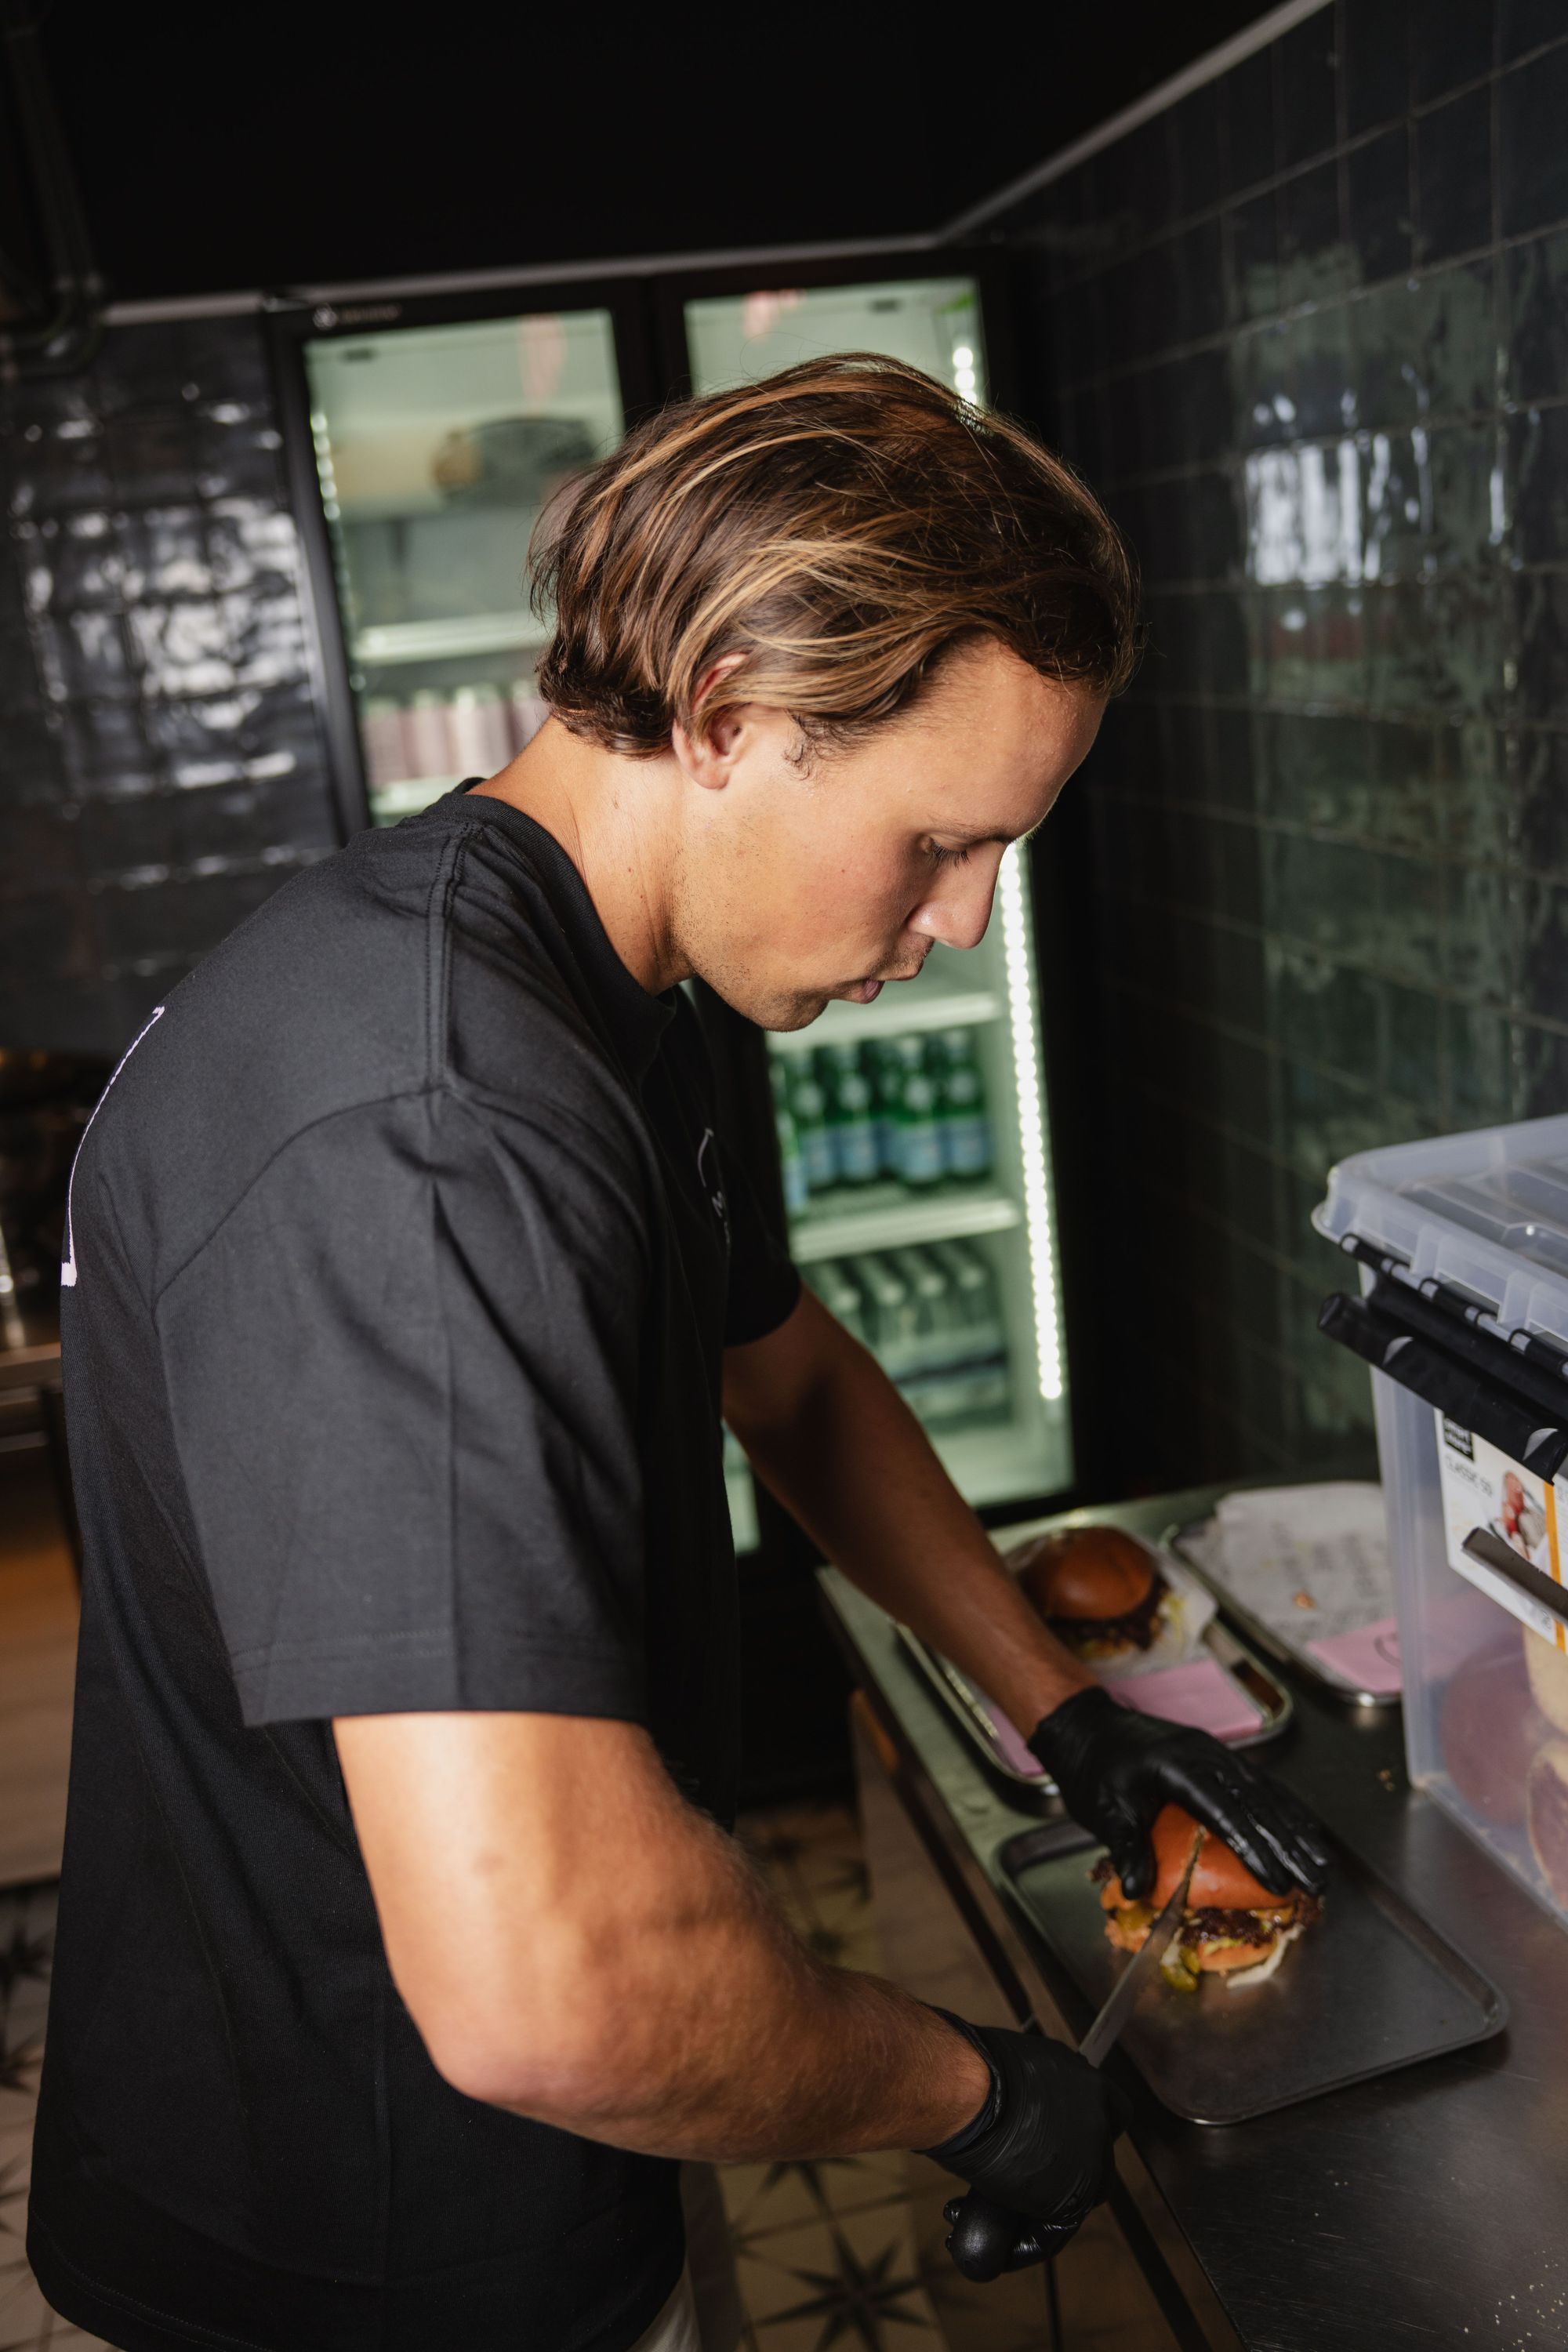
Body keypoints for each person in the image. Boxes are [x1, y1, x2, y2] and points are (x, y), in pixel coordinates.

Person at [31, 356, 1328, 2352]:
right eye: (935, 843)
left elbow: (784, 1372)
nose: (968, 925)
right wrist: (975, 2095)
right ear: (727, 715)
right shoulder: (434, 1133)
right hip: (368, 2233)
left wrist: (1056, 1707)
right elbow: (553, 1988)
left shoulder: (629, 964)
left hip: (550, 2139)